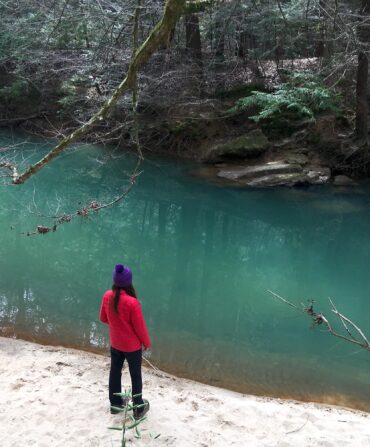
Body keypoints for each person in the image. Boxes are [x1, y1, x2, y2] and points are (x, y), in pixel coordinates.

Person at [100, 264, 151, 419]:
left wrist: (117, 326)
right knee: (135, 375)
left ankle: (115, 404)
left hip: (115, 343)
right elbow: (140, 328)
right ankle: (138, 407)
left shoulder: (107, 296)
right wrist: (147, 343)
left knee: (115, 371)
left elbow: (103, 318)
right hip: (132, 347)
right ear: (129, 282)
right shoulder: (132, 303)